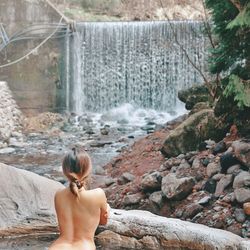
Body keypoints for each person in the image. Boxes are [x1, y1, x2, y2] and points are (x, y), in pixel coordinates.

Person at [49, 148, 110, 250]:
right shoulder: (98, 194)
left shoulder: (59, 195)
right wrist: (107, 209)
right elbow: (103, 222)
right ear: (88, 170)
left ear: (65, 171)